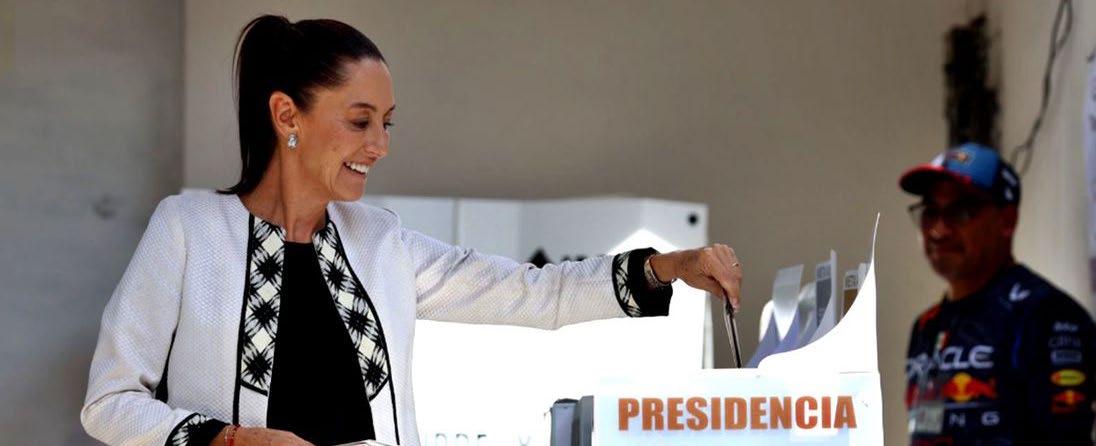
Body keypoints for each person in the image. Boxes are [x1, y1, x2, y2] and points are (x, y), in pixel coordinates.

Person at [79, 15, 744, 446]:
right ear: (287, 115)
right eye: (359, 120)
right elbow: (110, 402)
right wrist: (230, 440)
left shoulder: (381, 242)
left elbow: (534, 292)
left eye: (386, 122)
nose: (380, 144)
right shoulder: (190, 229)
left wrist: (669, 267)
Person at [901, 143, 1096, 445]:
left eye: (961, 212)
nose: (939, 230)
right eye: (930, 213)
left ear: (1007, 221)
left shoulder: (1044, 315)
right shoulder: (927, 326)